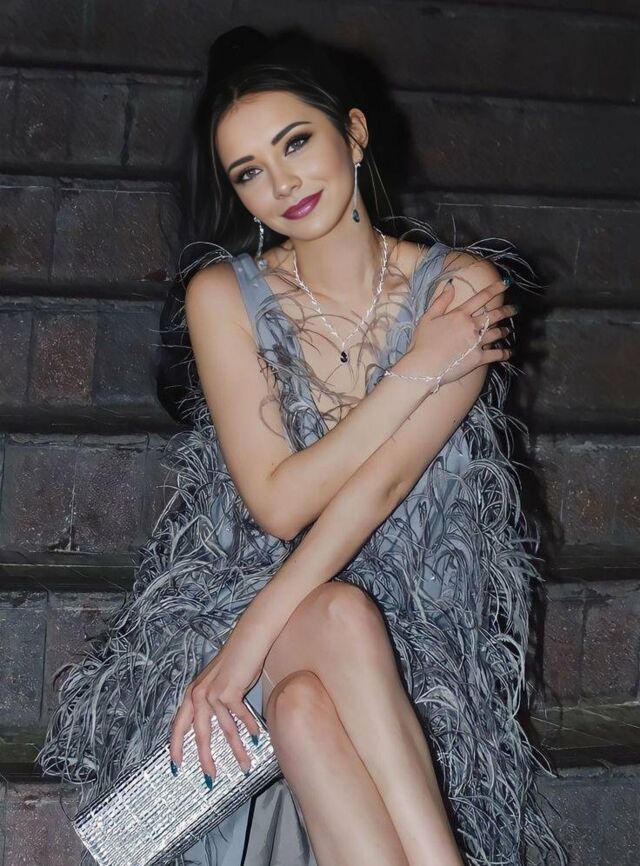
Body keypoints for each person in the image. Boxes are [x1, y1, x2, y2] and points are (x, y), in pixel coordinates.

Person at [37, 26, 568, 866]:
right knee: (336, 620)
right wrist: (421, 366)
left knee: (305, 707)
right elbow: (281, 505)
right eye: (249, 172)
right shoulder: (223, 295)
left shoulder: (462, 289)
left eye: (295, 143)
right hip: (244, 599)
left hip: (411, 620)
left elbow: (382, 488)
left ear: (353, 133)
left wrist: (245, 653)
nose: (281, 184)